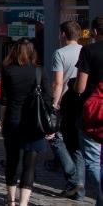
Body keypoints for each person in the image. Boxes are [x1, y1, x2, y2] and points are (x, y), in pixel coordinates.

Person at [0, 38, 52, 206]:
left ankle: (11, 200)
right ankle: (23, 203)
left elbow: (4, 101)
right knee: (30, 164)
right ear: (32, 52)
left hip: (13, 119)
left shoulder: (7, 71)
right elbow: (47, 99)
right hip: (34, 122)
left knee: (12, 160)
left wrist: (2, 122)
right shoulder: (39, 71)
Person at [51, 20, 86, 199]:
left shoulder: (60, 53)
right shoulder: (84, 51)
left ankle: (73, 178)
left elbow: (58, 82)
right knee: (77, 146)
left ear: (64, 34)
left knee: (56, 139)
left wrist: (54, 103)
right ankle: (79, 190)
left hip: (65, 102)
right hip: (82, 103)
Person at [75, 15, 103, 206]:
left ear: (94, 32)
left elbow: (80, 87)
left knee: (93, 160)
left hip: (93, 111)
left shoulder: (89, 50)